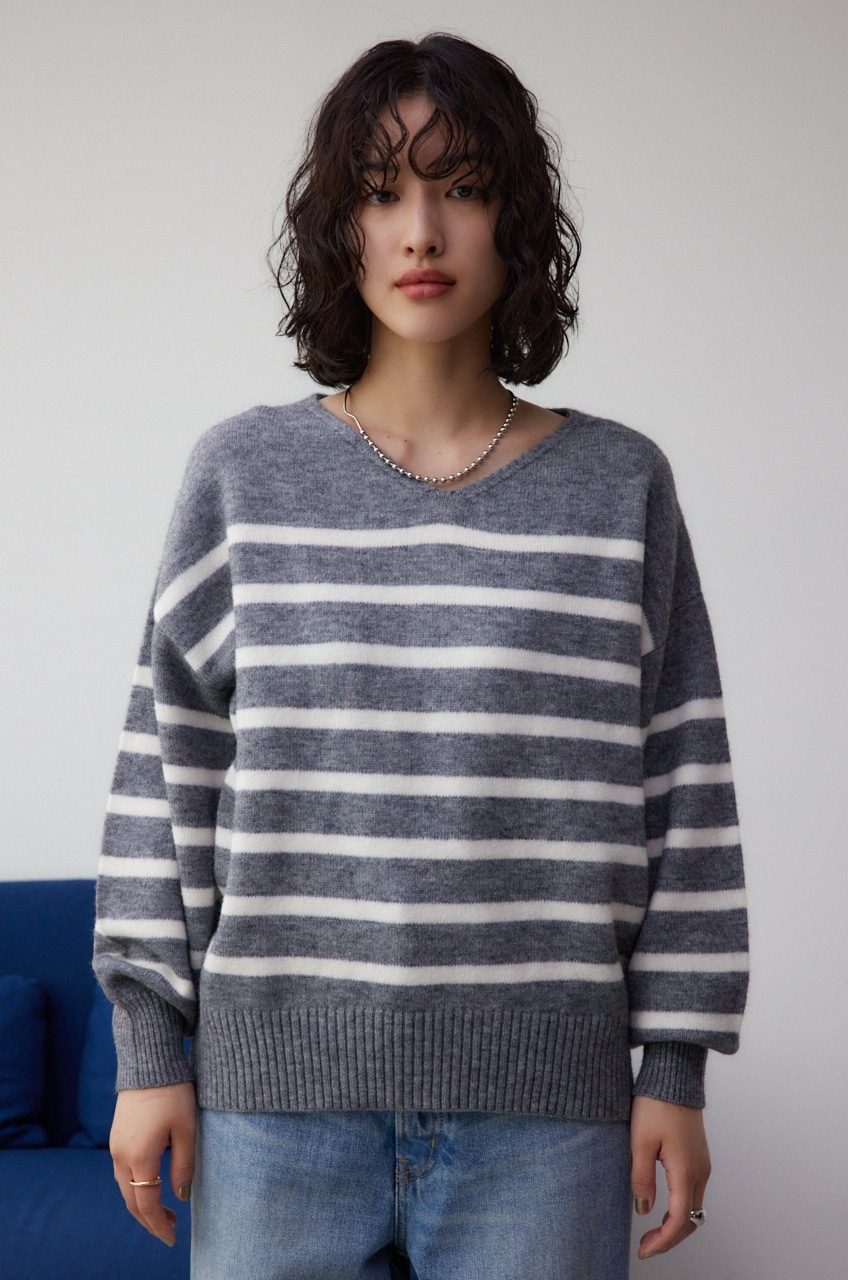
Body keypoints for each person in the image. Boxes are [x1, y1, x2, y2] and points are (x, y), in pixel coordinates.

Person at [95, 32, 749, 1280]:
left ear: (517, 218)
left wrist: (674, 1066)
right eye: (382, 191)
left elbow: (685, 786)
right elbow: (164, 776)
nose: (422, 232)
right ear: (339, 228)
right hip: (272, 1110)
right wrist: (147, 1052)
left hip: (546, 1122)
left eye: (464, 186)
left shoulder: (620, 484)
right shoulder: (243, 473)